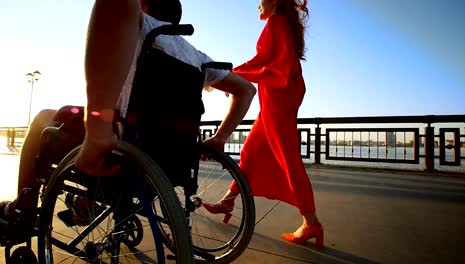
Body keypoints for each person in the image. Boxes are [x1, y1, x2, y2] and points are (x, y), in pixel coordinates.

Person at [0, 0, 255, 232]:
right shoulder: (196, 57)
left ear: (143, 5)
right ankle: (85, 203)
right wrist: (220, 137)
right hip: (170, 158)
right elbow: (246, 90)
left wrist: (98, 130)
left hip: (121, 145)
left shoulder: (141, 25)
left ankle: (24, 207)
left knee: (44, 118)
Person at [202, 0, 324, 248]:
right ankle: (228, 200)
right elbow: (264, 60)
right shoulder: (280, 23)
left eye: (260, 1)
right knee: (251, 152)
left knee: (288, 159)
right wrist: (233, 75)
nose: (257, 6)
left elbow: (274, 64)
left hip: (279, 97)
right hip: (277, 97)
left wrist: (231, 77)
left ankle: (311, 222)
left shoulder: (276, 22)